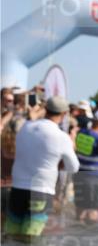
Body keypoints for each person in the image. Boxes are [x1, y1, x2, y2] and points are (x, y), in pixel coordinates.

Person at [5, 96, 79, 236]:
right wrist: (72, 144)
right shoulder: (61, 137)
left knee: (11, 235)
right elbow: (73, 168)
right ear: (64, 114)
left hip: (17, 188)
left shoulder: (25, 127)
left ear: (46, 110)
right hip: (41, 191)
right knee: (30, 239)